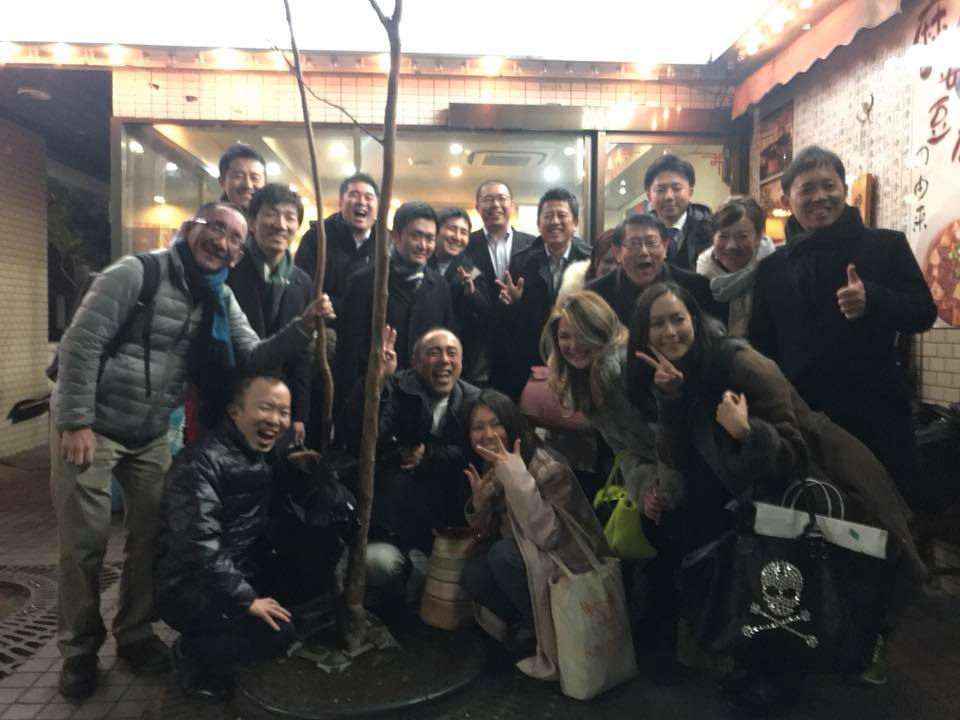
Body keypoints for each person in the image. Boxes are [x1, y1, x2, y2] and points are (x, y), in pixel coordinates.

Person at [49, 200, 334, 699]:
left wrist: (303, 327)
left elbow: (253, 355)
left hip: (150, 432)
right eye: (215, 229)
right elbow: (80, 344)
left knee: (150, 540)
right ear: (189, 228)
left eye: (234, 239)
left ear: (238, 252)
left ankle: (134, 635)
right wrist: (75, 421)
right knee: (84, 545)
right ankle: (79, 651)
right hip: (93, 426)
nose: (222, 243)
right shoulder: (136, 273)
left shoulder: (218, 295)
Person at [626, 282, 925, 710]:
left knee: (784, 575)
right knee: (744, 578)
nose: (670, 331)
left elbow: (793, 452)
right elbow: (673, 455)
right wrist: (669, 399)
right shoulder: (667, 375)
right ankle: (755, 661)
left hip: (794, 483)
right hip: (733, 495)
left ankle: (785, 672)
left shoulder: (740, 363)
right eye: (658, 323)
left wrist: (746, 432)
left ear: (695, 319)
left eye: (678, 319)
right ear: (643, 332)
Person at [749, 146, 937, 499]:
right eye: (807, 189)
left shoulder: (885, 246)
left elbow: (924, 312)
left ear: (844, 189)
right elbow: (762, 345)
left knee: (887, 522)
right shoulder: (773, 268)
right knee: (808, 520)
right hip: (803, 422)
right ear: (787, 200)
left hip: (876, 419)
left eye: (829, 185)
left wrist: (873, 299)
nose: (820, 196)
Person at [156, 375, 347, 700]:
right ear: (235, 411)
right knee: (279, 635)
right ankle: (192, 650)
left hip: (243, 566)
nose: (276, 420)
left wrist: (294, 467)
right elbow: (199, 547)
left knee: (320, 555)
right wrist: (247, 600)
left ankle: (241, 622)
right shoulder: (199, 463)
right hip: (190, 585)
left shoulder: (261, 452)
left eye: (283, 412)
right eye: (266, 408)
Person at [461, 389, 609, 681]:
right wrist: (479, 506)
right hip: (524, 554)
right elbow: (486, 533)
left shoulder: (545, 466)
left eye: (496, 424)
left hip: (564, 560)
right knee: (474, 570)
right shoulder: (491, 465)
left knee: (502, 556)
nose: (488, 434)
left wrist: (517, 479)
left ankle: (553, 636)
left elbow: (549, 535)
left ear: (512, 424)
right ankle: (528, 627)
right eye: (478, 427)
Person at [344, 328, 480, 608]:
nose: (444, 360)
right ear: (416, 361)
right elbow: (363, 439)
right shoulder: (397, 387)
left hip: (451, 526)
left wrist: (430, 454)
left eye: (451, 353)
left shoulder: (474, 400)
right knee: (379, 565)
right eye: (434, 352)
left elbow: (477, 450)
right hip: (397, 521)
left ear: (461, 361)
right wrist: (376, 383)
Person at [334, 201, 456, 408]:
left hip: (425, 396)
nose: (423, 245)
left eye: (430, 238)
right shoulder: (365, 281)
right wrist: (350, 403)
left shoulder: (439, 285)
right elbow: (348, 351)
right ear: (396, 235)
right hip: (376, 394)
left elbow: (447, 337)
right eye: (416, 236)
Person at [540, 290, 657, 501]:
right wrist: (646, 485)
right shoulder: (582, 381)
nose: (573, 345)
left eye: (581, 334)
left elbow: (669, 435)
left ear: (600, 331)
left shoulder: (627, 370)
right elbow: (622, 446)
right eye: (565, 336)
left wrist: (666, 484)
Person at [226, 184, 313, 444]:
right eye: (271, 214)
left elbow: (301, 354)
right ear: (252, 222)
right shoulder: (229, 269)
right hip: (232, 399)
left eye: (290, 217)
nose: (280, 225)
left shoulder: (302, 281)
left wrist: (299, 413)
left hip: (278, 406)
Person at [493, 188, 590, 398]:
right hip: (531, 360)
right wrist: (513, 303)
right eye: (548, 216)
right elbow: (509, 323)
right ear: (539, 224)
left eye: (562, 215)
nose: (554, 221)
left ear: (575, 222)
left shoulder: (589, 260)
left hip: (577, 355)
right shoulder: (521, 261)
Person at [585, 212, 722, 327]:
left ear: (665, 247)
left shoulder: (695, 287)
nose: (644, 252)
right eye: (634, 244)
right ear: (618, 252)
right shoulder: (595, 295)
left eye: (651, 242)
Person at [294, 172, 379, 312]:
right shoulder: (316, 237)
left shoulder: (386, 245)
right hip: (324, 322)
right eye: (354, 195)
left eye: (369, 197)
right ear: (340, 203)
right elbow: (300, 286)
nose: (362, 202)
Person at [695, 197, 776, 337]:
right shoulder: (701, 277)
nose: (731, 246)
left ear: (758, 237)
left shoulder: (775, 273)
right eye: (723, 236)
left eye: (742, 236)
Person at [428, 208, 492, 384]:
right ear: (436, 230)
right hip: (423, 348)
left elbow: (486, 312)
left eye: (464, 232)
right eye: (452, 229)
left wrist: (471, 292)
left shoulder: (472, 271)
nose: (458, 237)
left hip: (458, 354)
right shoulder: (421, 262)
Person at [465, 179, 537, 302]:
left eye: (502, 198)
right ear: (477, 207)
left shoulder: (533, 245)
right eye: (488, 199)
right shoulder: (466, 244)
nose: (495, 204)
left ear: (512, 205)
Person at [644, 154, 713, 271]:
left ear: (690, 192)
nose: (669, 196)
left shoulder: (710, 230)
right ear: (649, 196)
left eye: (676, 188)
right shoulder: (639, 234)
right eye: (660, 190)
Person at [556, 228, 619, 305]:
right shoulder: (574, 290)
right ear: (596, 261)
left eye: (620, 264)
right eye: (608, 262)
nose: (614, 268)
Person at [218, 143, 266, 213]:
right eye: (238, 176)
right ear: (222, 181)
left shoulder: (277, 219)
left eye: (254, 178)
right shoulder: (209, 218)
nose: (248, 185)